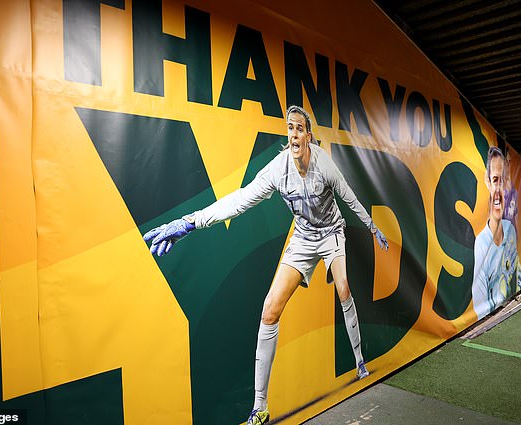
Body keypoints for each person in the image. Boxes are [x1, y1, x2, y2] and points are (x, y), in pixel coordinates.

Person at [143, 105, 388, 425]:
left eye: (300, 128)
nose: (294, 133)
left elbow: (350, 197)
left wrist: (372, 227)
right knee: (270, 309)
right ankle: (260, 408)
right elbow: (239, 201)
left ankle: (359, 362)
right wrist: (189, 222)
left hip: (331, 232)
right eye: (290, 128)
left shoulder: (324, 165)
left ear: (309, 135)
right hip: (303, 239)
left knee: (343, 288)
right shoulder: (278, 169)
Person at [472, 146, 521, 320]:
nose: (498, 190)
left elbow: (518, 275)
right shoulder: (480, 244)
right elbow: (479, 311)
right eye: (495, 180)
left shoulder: (510, 231)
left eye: (502, 181)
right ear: (487, 182)